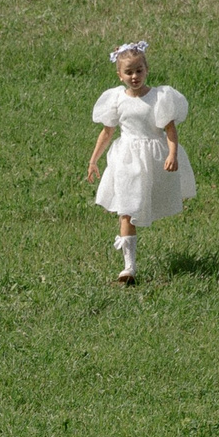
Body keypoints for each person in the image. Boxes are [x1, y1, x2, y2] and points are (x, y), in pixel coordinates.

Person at [84, 38, 194, 284]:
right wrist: (94, 160)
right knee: (127, 210)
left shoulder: (159, 97)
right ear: (119, 74)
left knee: (142, 206)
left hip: (153, 158)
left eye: (139, 70)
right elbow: (107, 132)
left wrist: (172, 153)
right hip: (126, 160)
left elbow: (170, 130)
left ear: (147, 70)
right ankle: (128, 268)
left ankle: (129, 264)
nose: (135, 76)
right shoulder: (116, 99)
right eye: (129, 72)